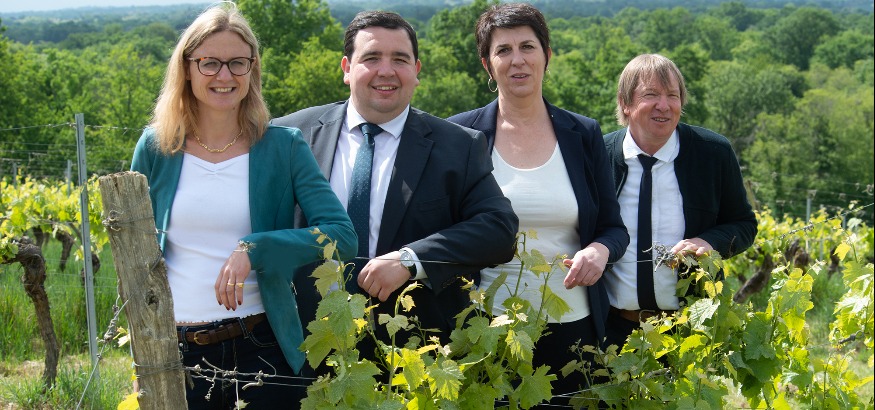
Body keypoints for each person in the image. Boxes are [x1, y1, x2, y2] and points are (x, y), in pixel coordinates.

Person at [130, 3, 357, 408]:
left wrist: (255, 248)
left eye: (238, 63)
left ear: (252, 69)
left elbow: (342, 237)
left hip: (261, 349)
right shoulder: (156, 147)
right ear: (187, 68)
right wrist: (142, 355)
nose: (225, 76)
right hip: (175, 356)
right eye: (209, 63)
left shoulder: (284, 147)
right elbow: (134, 257)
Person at [272, 11, 518, 363]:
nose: (386, 71)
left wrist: (411, 259)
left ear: (416, 71)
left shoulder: (458, 146)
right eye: (371, 58)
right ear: (346, 68)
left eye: (399, 59)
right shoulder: (289, 136)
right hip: (305, 349)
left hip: (413, 358)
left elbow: (499, 229)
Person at [447, 3, 629, 405]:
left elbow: (613, 229)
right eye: (503, 50)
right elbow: (445, 232)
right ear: (487, 64)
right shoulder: (459, 134)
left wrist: (600, 251)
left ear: (546, 55)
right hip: (487, 332)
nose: (518, 60)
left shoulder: (583, 133)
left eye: (527, 47)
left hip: (573, 331)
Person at [602, 53, 757, 350]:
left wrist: (709, 242)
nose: (664, 105)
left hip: (689, 332)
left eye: (672, 95)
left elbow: (744, 224)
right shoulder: (598, 155)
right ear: (625, 102)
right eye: (651, 95)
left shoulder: (713, 153)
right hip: (611, 331)